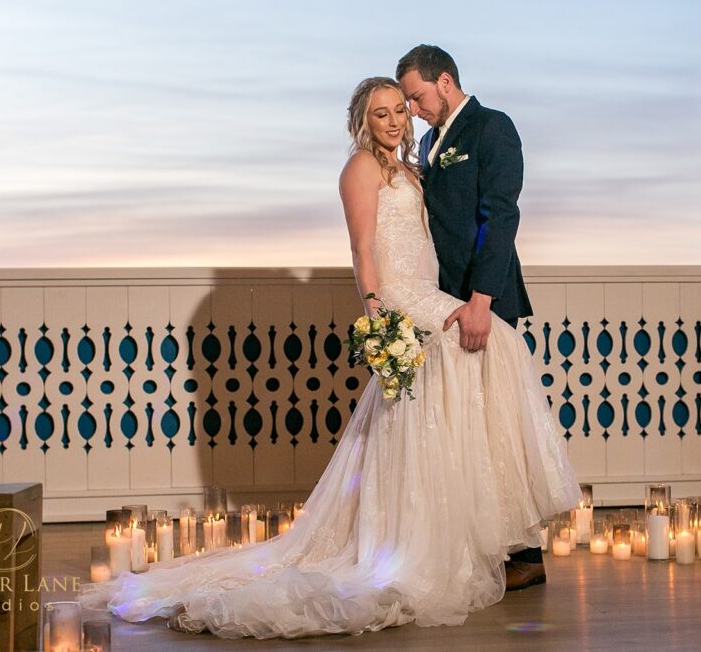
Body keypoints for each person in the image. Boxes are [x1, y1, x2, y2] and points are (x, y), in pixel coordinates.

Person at [79, 76, 578, 640]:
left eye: (400, 110)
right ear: (362, 122)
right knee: (472, 350)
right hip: (399, 298)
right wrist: (377, 320)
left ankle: (465, 533)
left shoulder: (412, 170)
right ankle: (426, 544)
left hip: (429, 289)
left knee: (486, 357)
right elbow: (363, 249)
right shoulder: (360, 169)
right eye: (382, 113)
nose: (395, 120)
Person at [396, 44, 544, 590]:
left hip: (484, 303)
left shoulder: (492, 128)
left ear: (446, 80)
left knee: (499, 426)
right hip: (445, 304)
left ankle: (527, 555)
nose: (412, 110)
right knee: (466, 431)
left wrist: (482, 299)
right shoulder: (434, 143)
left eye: (415, 96)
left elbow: (500, 216)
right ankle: (481, 543)